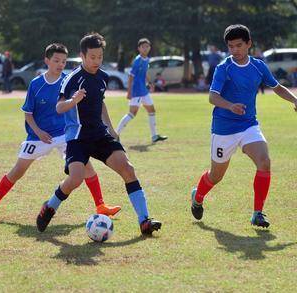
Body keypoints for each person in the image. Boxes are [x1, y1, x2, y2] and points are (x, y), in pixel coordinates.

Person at [36, 33, 162, 235]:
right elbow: (59, 107)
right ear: (82, 56)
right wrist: (73, 101)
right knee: (75, 179)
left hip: (99, 134)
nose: (97, 61)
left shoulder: (103, 77)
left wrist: (111, 128)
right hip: (77, 137)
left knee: (128, 169)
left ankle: (144, 220)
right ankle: (49, 206)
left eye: (100, 57)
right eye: (92, 57)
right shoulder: (71, 80)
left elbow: (100, 102)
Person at [0, 43, 121, 221]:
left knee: (87, 168)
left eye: (63, 61)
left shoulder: (69, 79)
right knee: (17, 171)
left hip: (64, 134)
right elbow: (28, 113)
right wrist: (39, 132)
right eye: (56, 60)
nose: (60, 64)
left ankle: (101, 206)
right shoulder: (36, 84)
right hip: (39, 136)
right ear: (47, 61)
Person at [190, 24, 297, 228]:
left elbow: (276, 87)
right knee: (216, 176)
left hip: (249, 125)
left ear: (249, 44)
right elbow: (212, 97)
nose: (234, 50)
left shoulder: (258, 66)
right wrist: (230, 106)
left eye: (239, 45)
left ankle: (258, 213)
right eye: (230, 46)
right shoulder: (224, 68)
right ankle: (198, 196)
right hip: (223, 128)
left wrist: (294, 100)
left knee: (264, 162)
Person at [115, 38, 167, 143]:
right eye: (143, 46)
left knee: (151, 110)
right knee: (132, 113)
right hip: (136, 91)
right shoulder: (137, 60)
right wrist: (129, 92)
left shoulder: (146, 59)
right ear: (139, 48)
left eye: (147, 46)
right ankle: (115, 135)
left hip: (143, 90)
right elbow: (131, 76)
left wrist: (150, 83)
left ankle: (154, 136)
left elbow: (145, 72)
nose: (145, 48)